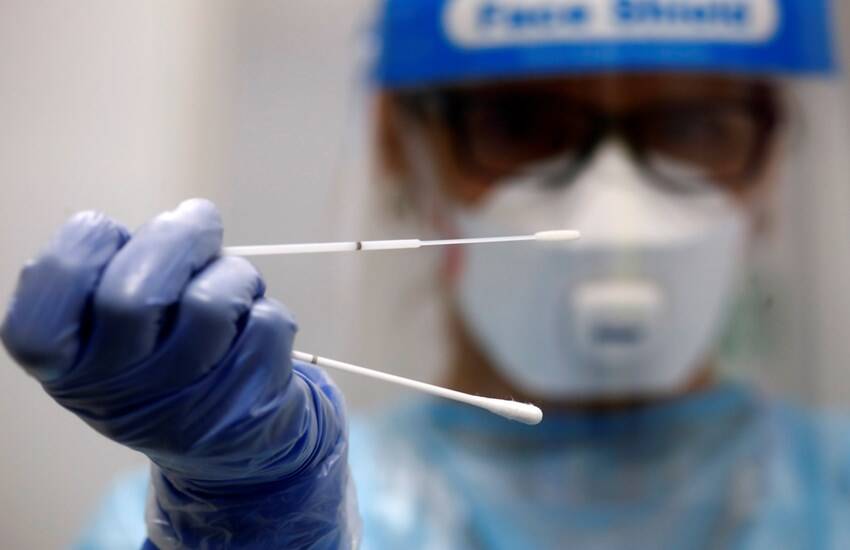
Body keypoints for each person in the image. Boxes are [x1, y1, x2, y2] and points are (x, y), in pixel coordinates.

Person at [3, 0, 849, 548]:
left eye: (694, 126)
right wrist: (238, 520)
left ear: (774, 154)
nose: (611, 207)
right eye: (523, 123)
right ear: (397, 146)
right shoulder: (175, 516)